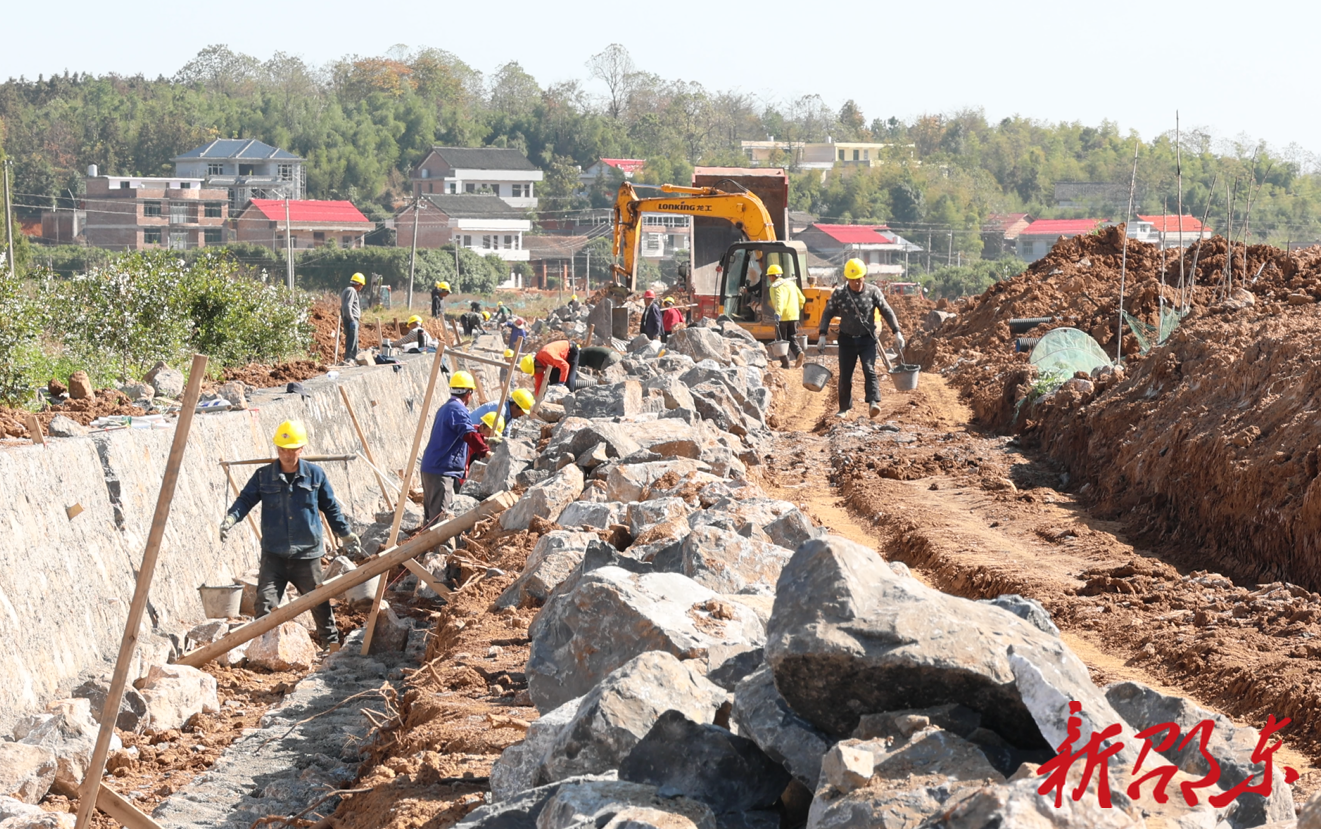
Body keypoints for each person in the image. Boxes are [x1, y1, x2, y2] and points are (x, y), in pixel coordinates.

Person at [220, 420, 361, 651]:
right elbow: (245, 500)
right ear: (277, 449)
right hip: (274, 554)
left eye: (292, 449)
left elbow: (331, 507)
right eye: (282, 449)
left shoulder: (315, 475)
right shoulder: (263, 476)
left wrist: (345, 533)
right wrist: (231, 518)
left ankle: (332, 646)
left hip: (307, 554)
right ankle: (263, 651)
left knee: (319, 602)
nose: (287, 454)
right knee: (265, 604)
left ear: (301, 448)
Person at [816, 258, 905, 419]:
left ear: (864, 276)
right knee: (845, 374)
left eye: (858, 279)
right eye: (852, 280)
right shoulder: (840, 294)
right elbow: (827, 313)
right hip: (846, 340)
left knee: (869, 369)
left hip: (867, 339)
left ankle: (873, 402)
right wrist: (822, 334)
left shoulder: (873, 292)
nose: (856, 283)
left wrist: (896, 331)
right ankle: (844, 408)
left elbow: (887, 311)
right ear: (846, 279)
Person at [420, 372, 490, 523]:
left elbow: (458, 431)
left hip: (432, 466)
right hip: (441, 470)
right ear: (469, 393)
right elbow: (468, 433)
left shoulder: (446, 408)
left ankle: (428, 546)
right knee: (440, 519)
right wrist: (485, 451)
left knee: (431, 517)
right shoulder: (458, 409)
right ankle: (436, 547)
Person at [768, 264, 807, 369]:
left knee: (780, 341)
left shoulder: (775, 286)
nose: (769, 278)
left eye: (769, 276)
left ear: (772, 276)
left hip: (782, 317)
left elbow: (779, 300)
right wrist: (797, 309)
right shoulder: (790, 284)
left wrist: (778, 313)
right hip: (794, 316)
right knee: (792, 338)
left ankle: (786, 364)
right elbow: (802, 299)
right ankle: (798, 353)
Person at [341, 273, 365, 364]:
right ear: (358, 283)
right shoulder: (351, 290)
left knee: (352, 341)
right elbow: (347, 306)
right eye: (361, 285)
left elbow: (342, 308)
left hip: (349, 320)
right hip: (352, 320)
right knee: (352, 342)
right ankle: (350, 360)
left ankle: (350, 360)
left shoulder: (347, 290)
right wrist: (351, 320)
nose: (361, 287)